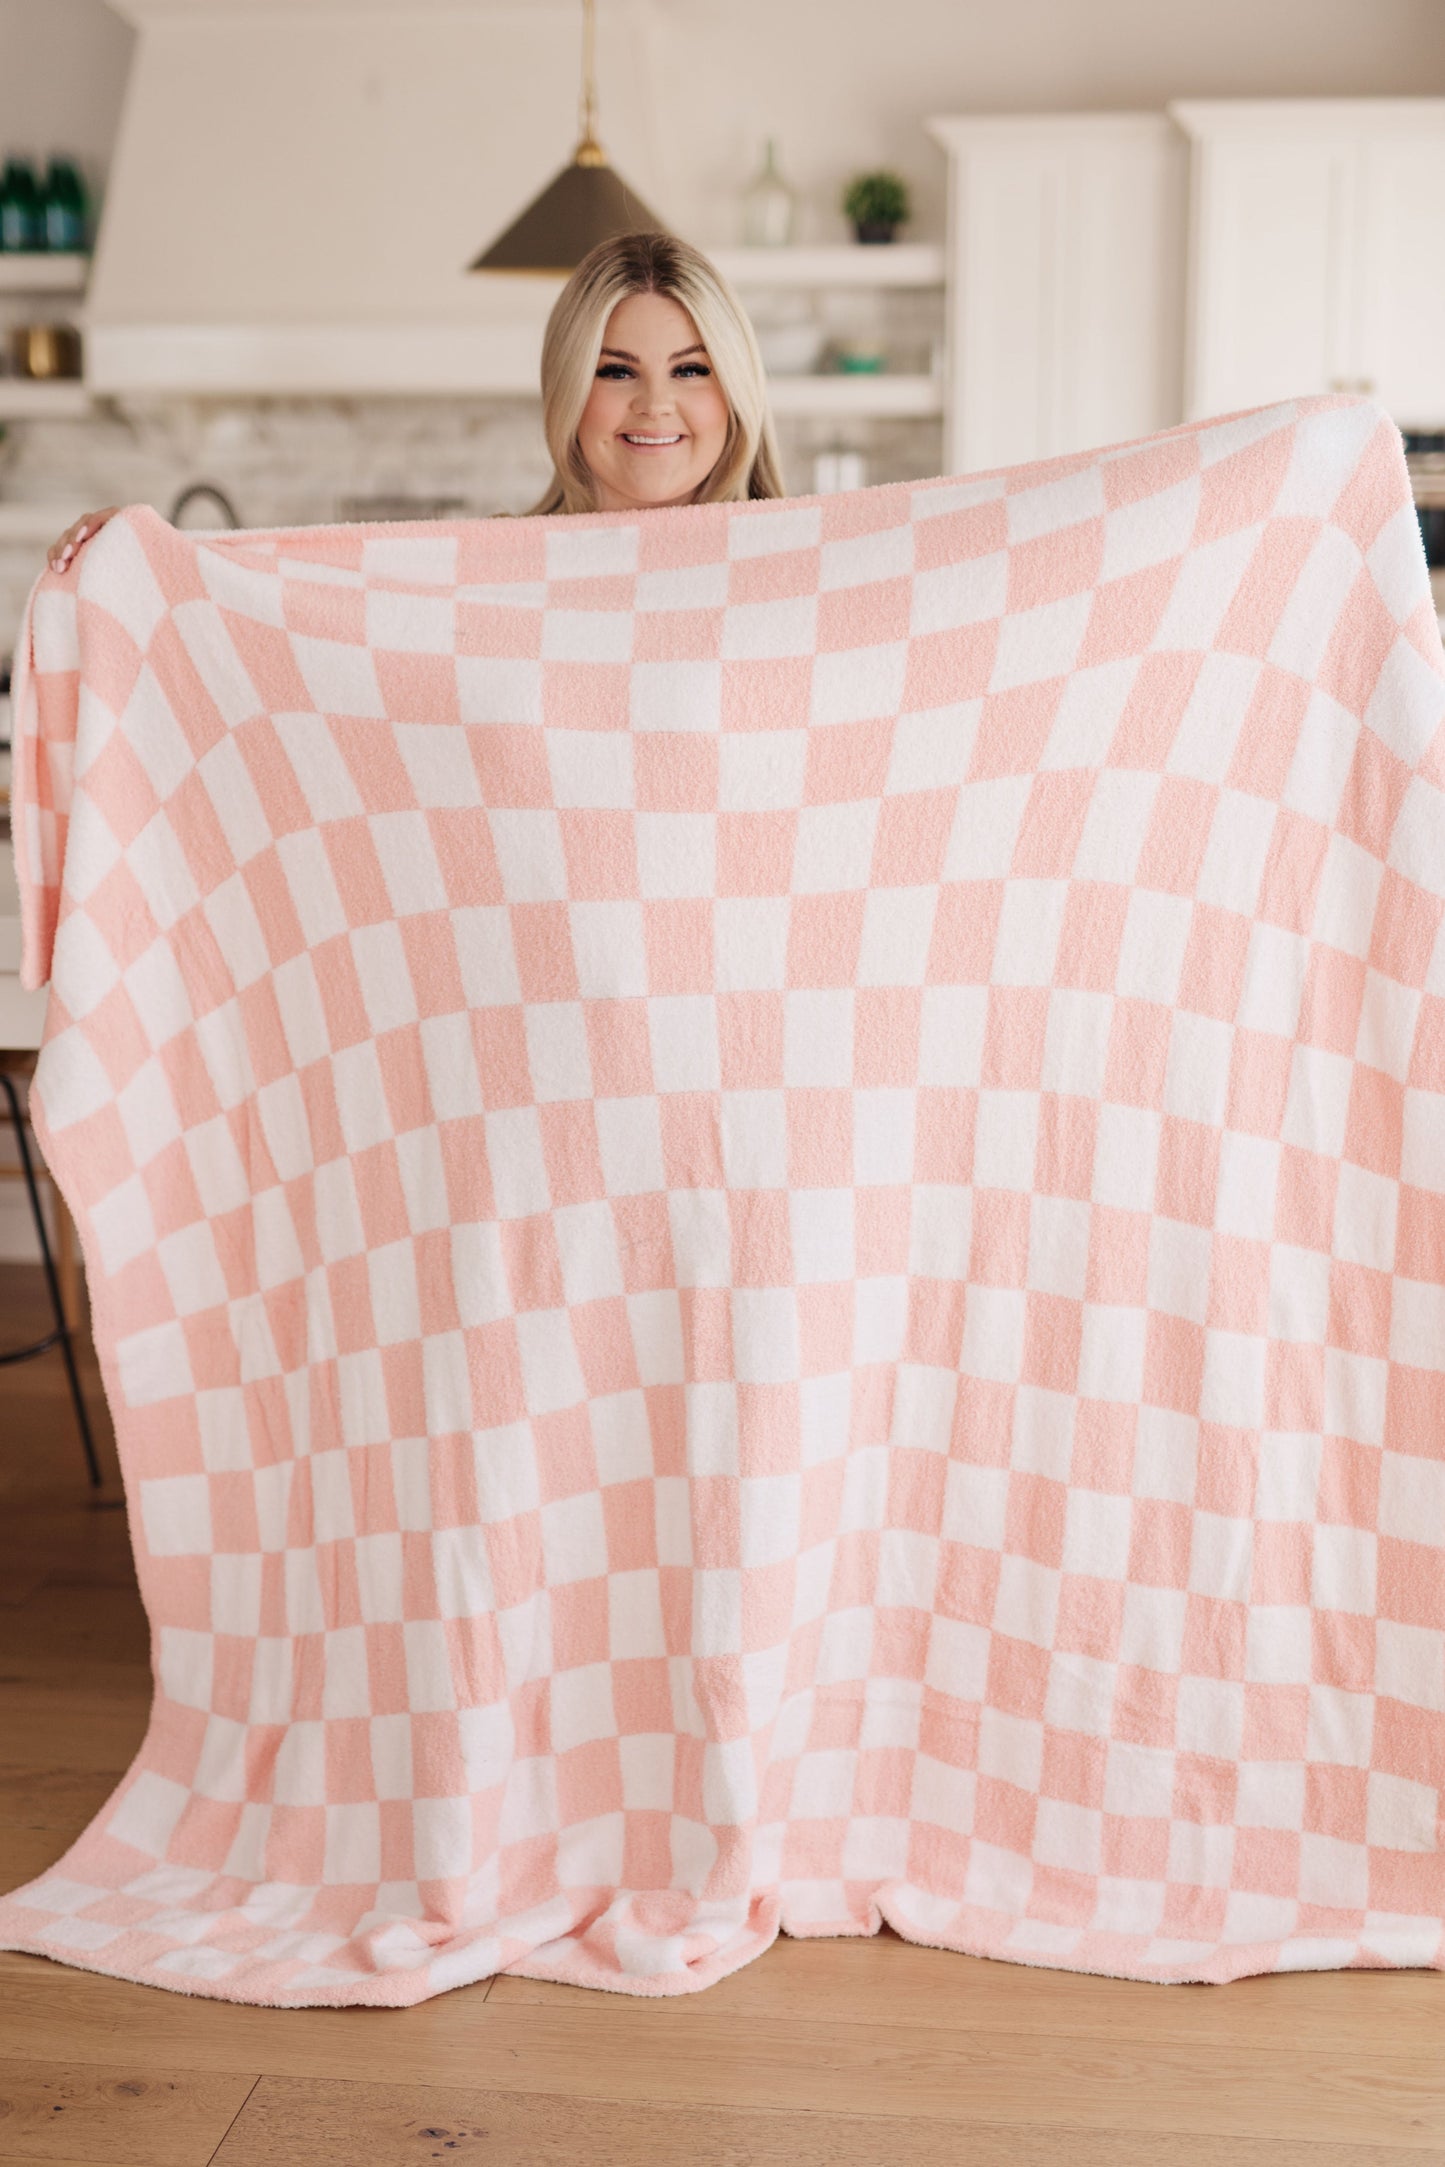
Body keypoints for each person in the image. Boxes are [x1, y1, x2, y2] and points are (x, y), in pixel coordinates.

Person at [46, 229, 784, 570]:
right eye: (614, 371)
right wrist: (142, 561)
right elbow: (301, 608)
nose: (655, 404)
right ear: (565, 391)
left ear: (736, 391)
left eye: (691, 370)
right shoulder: (484, 575)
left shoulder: (799, 572)